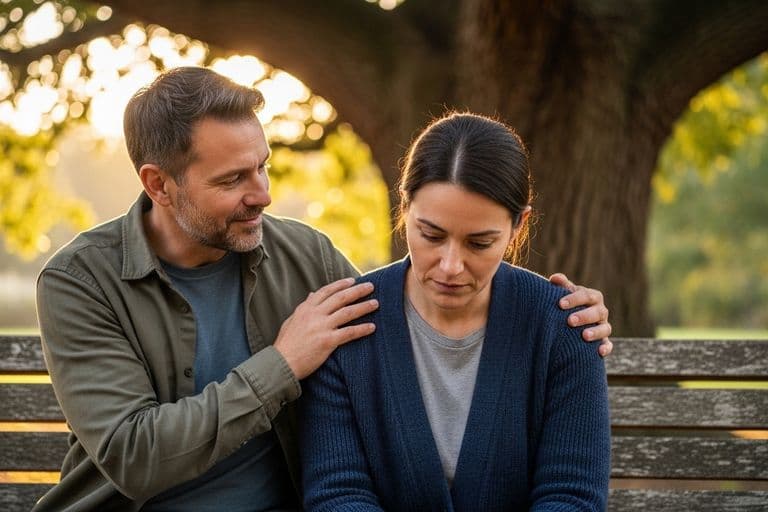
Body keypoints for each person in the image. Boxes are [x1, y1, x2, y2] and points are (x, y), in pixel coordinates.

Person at [34, 67, 611, 511]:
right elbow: (134, 458)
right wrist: (282, 363)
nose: (261, 193)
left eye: (262, 166)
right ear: (158, 184)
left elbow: (409, 306)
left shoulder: (305, 257)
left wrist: (573, 316)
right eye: (233, 179)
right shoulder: (80, 283)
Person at [300, 112, 611, 511]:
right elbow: (337, 494)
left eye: (479, 243)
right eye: (431, 235)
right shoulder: (346, 325)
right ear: (404, 206)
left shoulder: (565, 329)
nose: (450, 266)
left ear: (518, 226)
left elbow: (572, 496)